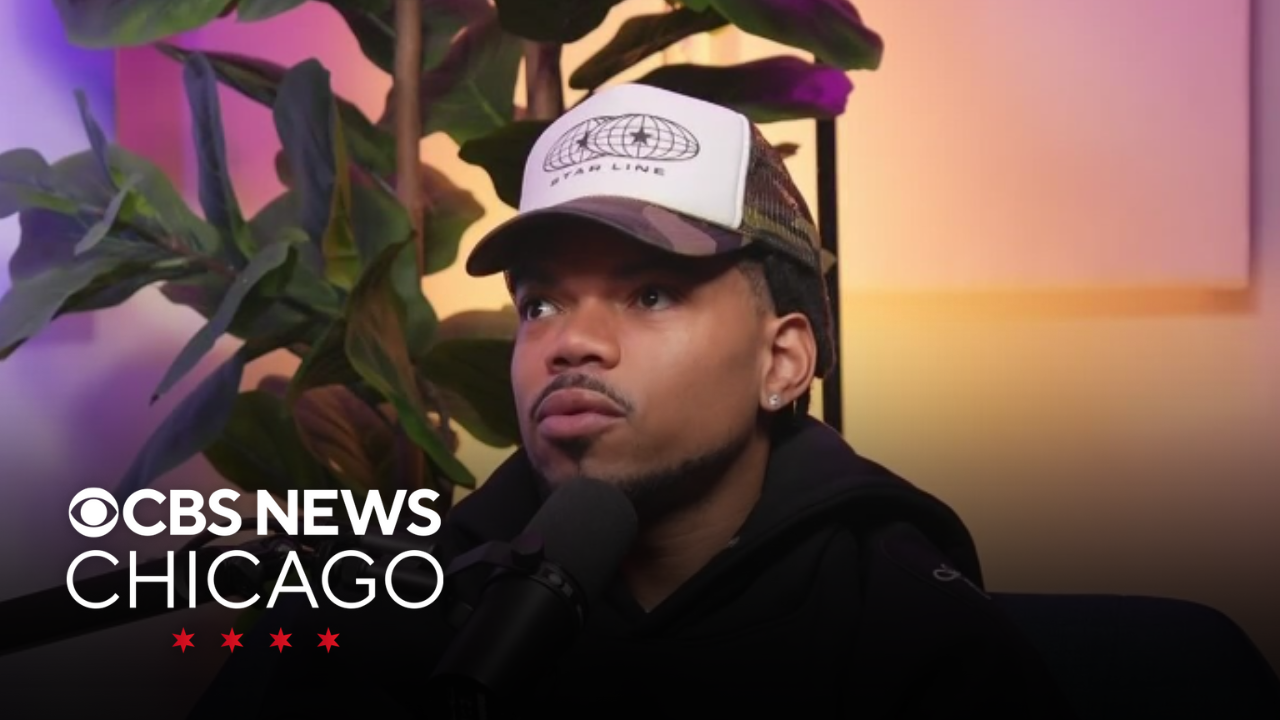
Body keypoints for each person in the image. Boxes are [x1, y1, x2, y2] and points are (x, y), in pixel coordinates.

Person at [190, 83, 1074, 718]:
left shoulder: (910, 629)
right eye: (540, 305)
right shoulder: (386, 611)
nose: (570, 342)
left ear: (782, 361)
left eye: (651, 294)